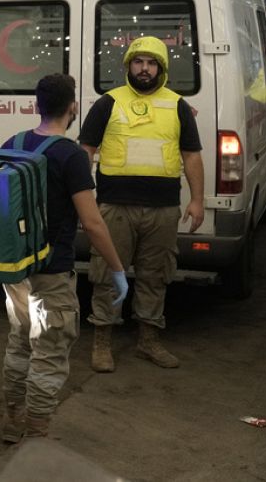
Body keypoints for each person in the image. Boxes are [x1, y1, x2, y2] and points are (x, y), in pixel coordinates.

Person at [0, 73, 128, 442]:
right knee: (50, 352)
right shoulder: (71, 156)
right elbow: (92, 222)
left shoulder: (14, 142)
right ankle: (36, 433)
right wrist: (118, 269)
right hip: (52, 272)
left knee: (20, 342)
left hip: (16, 271)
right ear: (73, 108)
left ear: (36, 105)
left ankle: (12, 421)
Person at [79, 36, 204, 373]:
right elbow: (85, 151)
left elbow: (191, 155)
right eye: (138, 62)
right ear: (128, 66)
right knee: (107, 274)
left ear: (161, 68)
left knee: (155, 276)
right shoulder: (108, 103)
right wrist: (83, 198)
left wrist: (197, 199)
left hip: (163, 209)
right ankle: (102, 340)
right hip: (114, 207)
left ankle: (148, 341)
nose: (144, 69)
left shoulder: (177, 105)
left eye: (151, 63)